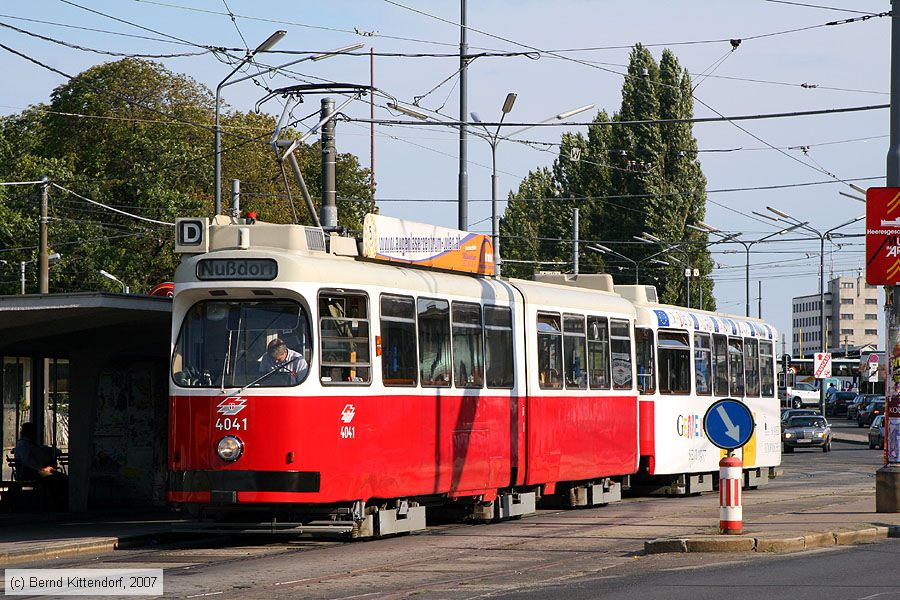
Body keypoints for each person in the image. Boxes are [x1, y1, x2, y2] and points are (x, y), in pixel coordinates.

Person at [13, 422, 67, 509]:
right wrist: (43, 469)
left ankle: (61, 502)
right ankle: (61, 503)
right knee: (57, 478)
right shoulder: (24, 445)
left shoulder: (28, 444)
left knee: (59, 477)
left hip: (37, 471)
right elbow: (28, 462)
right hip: (34, 472)